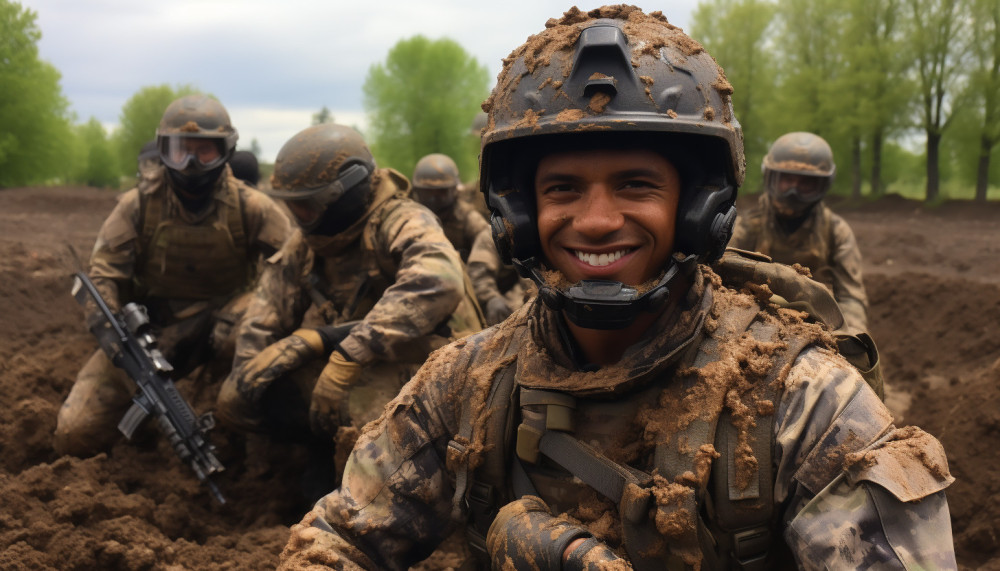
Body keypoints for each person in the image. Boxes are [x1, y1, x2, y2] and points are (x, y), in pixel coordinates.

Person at [279, 6, 956, 570]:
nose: (597, 221)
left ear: (698, 208)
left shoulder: (805, 404)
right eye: (563, 189)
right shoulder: (468, 385)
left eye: (636, 184)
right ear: (517, 217)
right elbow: (332, 543)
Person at [216, 124, 485, 458]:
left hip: (439, 364)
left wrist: (342, 350)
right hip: (362, 360)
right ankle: (311, 455)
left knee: (357, 419)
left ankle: (370, 469)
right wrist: (249, 382)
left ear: (344, 193)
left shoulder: (401, 218)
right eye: (293, 207)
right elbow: (265, 313)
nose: (299, 218)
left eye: (307, 206)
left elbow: (437, 282)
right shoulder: (306, 243)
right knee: (240, 394)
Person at [54, 94, 292, 457]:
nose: (192, 162)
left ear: (226, 151)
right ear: (164, 151)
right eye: (181, 150)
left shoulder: (253, 206)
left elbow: (293, 272)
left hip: (226, 327)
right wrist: (121, 346)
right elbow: (103, 279)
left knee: (252, 325)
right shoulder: (137, 205)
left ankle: (239, 412)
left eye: (205, 151)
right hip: (151, 332)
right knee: (75, 434)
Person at [729, 132, 869, 333]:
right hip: (755, 323)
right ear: (771, 178)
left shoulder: (835, 231)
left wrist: (849, 340)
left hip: (821, 328)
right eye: (786, 180)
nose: (793, 191)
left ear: (821, 186)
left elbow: (851, 298)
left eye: (805, 183)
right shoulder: (749, 226)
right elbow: (722, 278)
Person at [410, 152, 523, 325]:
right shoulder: (410, 219)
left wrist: (490, 297)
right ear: (417, 191)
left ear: (454, 190)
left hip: (466, 288)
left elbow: (483, 261)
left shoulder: (468, 219)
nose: (434, 198)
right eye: (428, 193)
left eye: (441, 192)